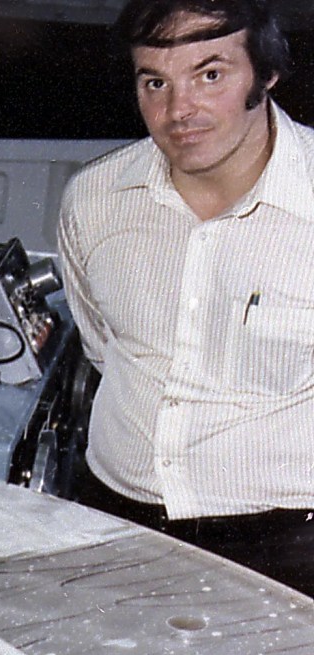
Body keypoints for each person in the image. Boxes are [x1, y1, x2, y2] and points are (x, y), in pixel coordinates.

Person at [56, 0, 314, 590]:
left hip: (287, 543)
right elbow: (104, 347)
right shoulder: (94, 199)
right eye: (155, 82)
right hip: (113, 519)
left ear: (266, 74)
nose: (179, 111)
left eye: (211, 74)